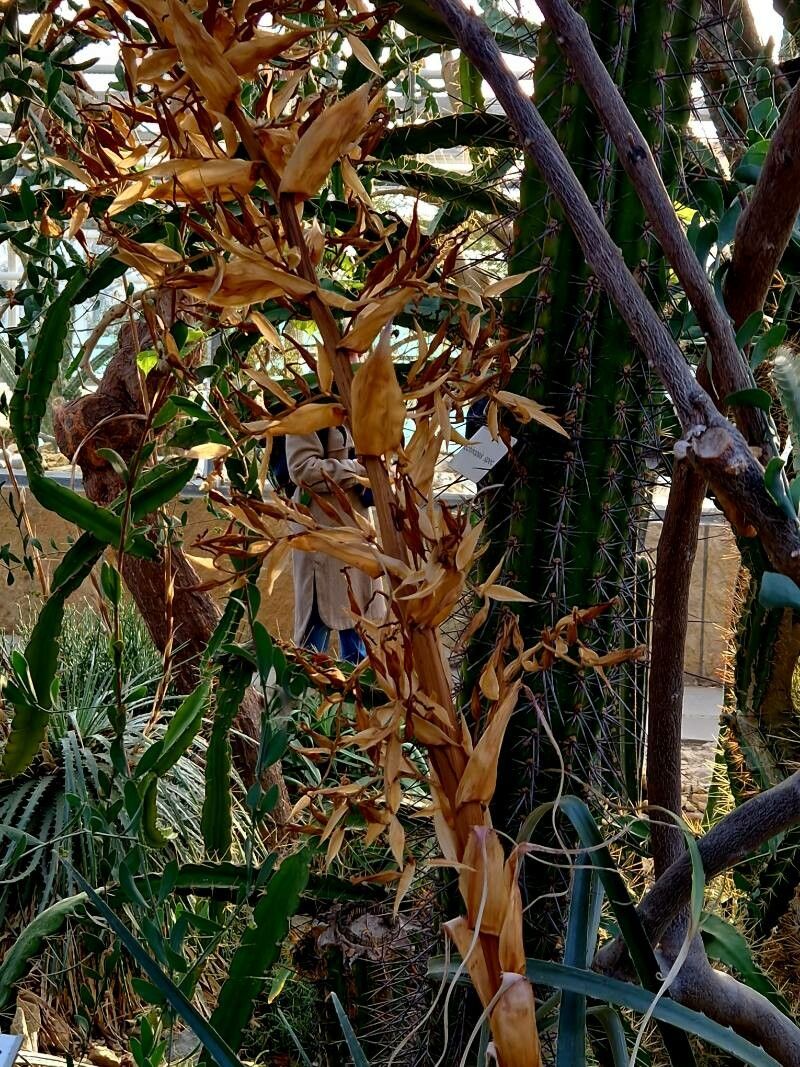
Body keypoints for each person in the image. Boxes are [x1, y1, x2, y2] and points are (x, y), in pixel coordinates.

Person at [286, 426, 378, 663]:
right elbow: (301, 469)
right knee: (311, 649)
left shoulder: (357, 410)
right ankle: (300, 698)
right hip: (322, 540)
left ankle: (356, 697)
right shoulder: (310, 412)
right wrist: (358, 469)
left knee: (359, 636)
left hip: (357, 540)